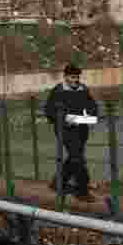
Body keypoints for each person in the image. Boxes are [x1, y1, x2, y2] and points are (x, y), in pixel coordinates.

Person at [43, 63, 98, 202]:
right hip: (65, 130)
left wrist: (89, 115)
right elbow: (49, 111)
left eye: (77, 77)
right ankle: (82, 191)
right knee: (77, 158)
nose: (75, 80)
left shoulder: (83, 89)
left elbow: (92, 106)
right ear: (66, 76)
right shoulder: (58, 90)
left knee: (74, 157)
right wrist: (64, 119)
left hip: (81, 129)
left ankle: (57, 183)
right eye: (72, 77)